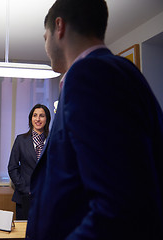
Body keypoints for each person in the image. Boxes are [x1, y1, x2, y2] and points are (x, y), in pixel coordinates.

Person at [26, 0, 163, 239]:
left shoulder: (90, 74)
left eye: (45, 37)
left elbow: (120, 206)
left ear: (59, 27)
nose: (46, 46)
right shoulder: (119, 72)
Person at [8, 104, 51, 220]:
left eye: (42, 116)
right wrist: (26, 189)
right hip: (24, 196)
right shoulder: (21, 140)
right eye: (35, 115)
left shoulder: (53, 140)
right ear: (30, 119)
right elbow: (12, 167)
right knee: (24, 234)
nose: (38, 119)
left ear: (47, 119)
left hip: (48, 196)